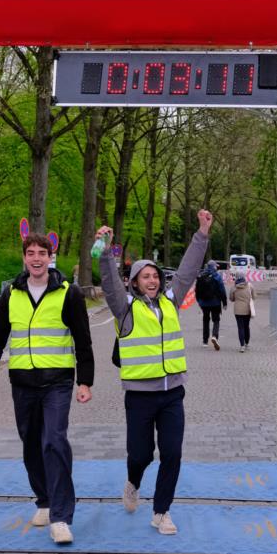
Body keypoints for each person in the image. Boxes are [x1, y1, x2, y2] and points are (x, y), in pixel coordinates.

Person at [97, 209, 212, 535]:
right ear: (134, 282)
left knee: (172, 454)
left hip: (173, 392)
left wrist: (201, 234)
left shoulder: (170, 301)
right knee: (141, 455)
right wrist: (106, 253)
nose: (152, 281)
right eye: (145, 277)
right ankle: (133, 482)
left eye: (156, 276)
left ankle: (162, 512)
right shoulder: (125, 308)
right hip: (140, 396)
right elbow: (108, 284)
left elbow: (188, 270)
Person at [0, 233, 94, 546]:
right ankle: (44, 499)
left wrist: (85, 381)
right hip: (23, 383)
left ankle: (61, 517)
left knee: (54, 441)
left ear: (50, 256)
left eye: (42, 252)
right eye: (30, 253)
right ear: (24, 258)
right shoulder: (11, 294)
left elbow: (83, 340)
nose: (36, 258)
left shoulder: (69, 293)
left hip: (57, 381)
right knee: (31, 444)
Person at [195, 259, 227, 350]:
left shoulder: (201, 276)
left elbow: (196, 290)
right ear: (213, 267)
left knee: (205, 320)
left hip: (204, 303)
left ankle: (205, 341)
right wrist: (224, 303)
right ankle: (214, 336)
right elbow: (222, 290)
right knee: (216, 320)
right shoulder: (217, 276)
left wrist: (199, 301)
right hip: (215, 302)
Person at [229, 273, 254, 352]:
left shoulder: (234, 287)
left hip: (238, 310)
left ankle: (242, 346)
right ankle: (247, 343)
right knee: (247, 326)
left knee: (240, 327)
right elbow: (254, 296)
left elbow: (231, 298)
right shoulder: (250, 286)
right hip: (247, 309)